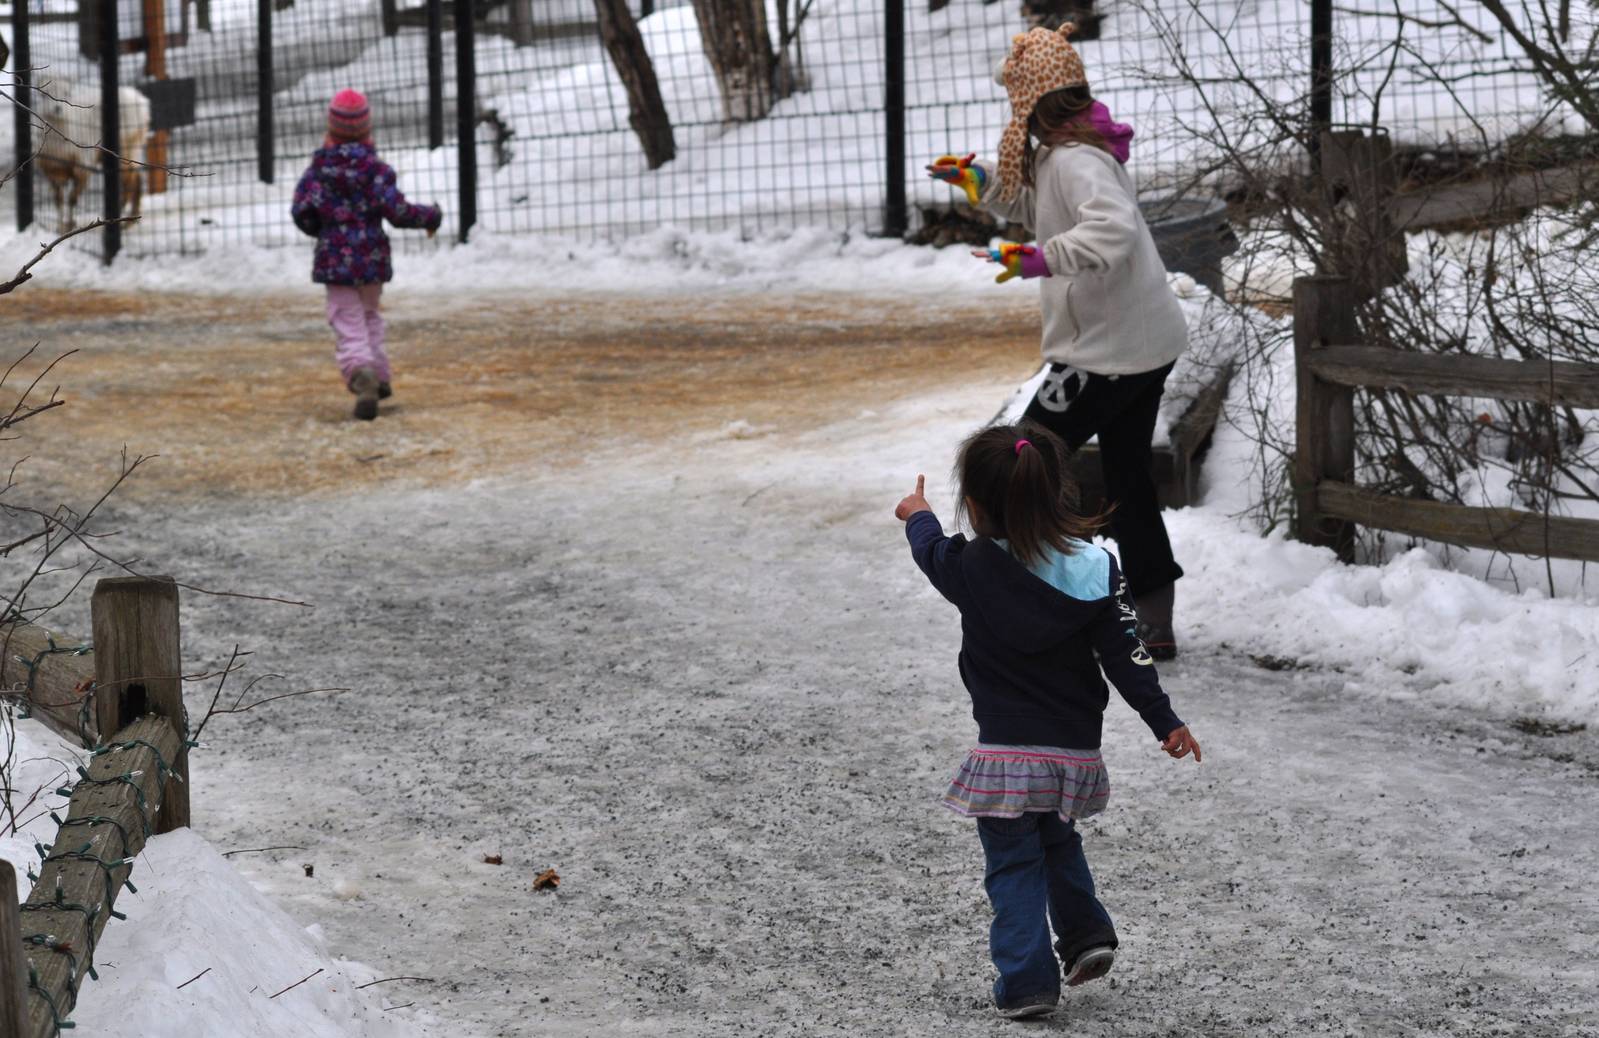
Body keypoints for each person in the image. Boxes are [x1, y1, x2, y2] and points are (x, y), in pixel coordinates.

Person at [893, 422, 1200, 1020]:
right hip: (1072, 756)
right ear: (1053, 492)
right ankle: (1086, 937)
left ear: (977, 507)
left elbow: (932, 553)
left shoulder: (971, 565)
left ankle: (1027, 982)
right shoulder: (1096, 568)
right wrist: (1165, 720)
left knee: (1013, 865)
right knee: (1058, 842)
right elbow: (1129, 656)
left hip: (1006, 757)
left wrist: (919, 514)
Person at [927, 24, 1188, 658]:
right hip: (1140, 345)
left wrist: (1041, 260)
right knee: (1126, 478)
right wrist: (982, 182)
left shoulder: (1075, 159)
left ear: (1033, 105)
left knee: (1018, 460)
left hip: (1106, 354)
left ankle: (1005, 592)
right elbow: (1036, 206)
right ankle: (1152, 617)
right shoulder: (1071, 152)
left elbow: (1110, 232)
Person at [292, 89, 442, 421]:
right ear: (366, 129)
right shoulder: (376, 171)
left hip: (335, 262)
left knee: (347, 321)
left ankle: (361, 374)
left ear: (330, 128)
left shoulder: (319, 170)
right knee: (370, 314)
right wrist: (429, 216)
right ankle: (381, 375)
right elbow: (398, 210)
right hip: (372, 260)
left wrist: (322, 228)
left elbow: (302, 211)